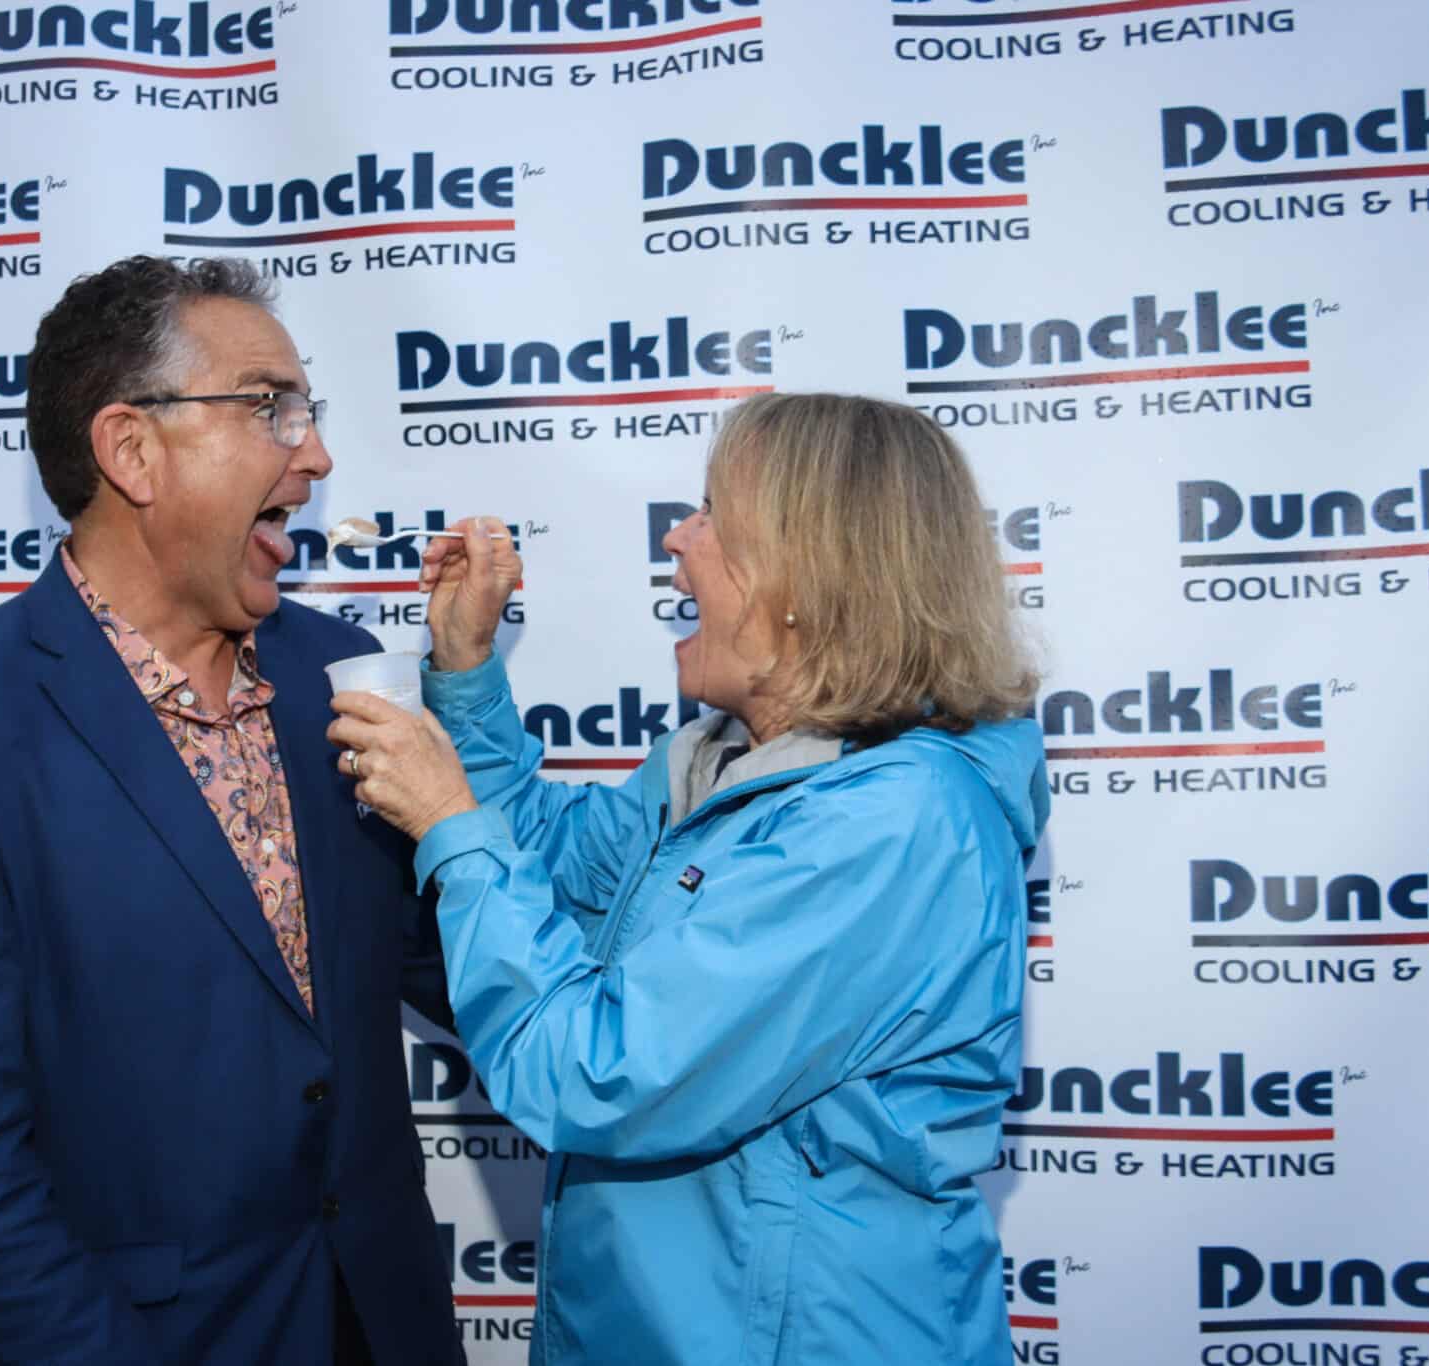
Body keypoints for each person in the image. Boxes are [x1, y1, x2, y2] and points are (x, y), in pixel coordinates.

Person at [328, 392, 1048, 1364]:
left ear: (800, 572)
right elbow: (557, 879)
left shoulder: (889, 823)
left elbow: (597, 1070)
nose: (676, 539)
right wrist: (464, 670)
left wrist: (450, 825)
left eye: (710, 514)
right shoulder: (727, 759)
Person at [0, 256, 462, 1366]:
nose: (313, 454)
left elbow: (462, 963)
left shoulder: (344, 680)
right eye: (271, 408)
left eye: (306, 412)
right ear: (131, 450)